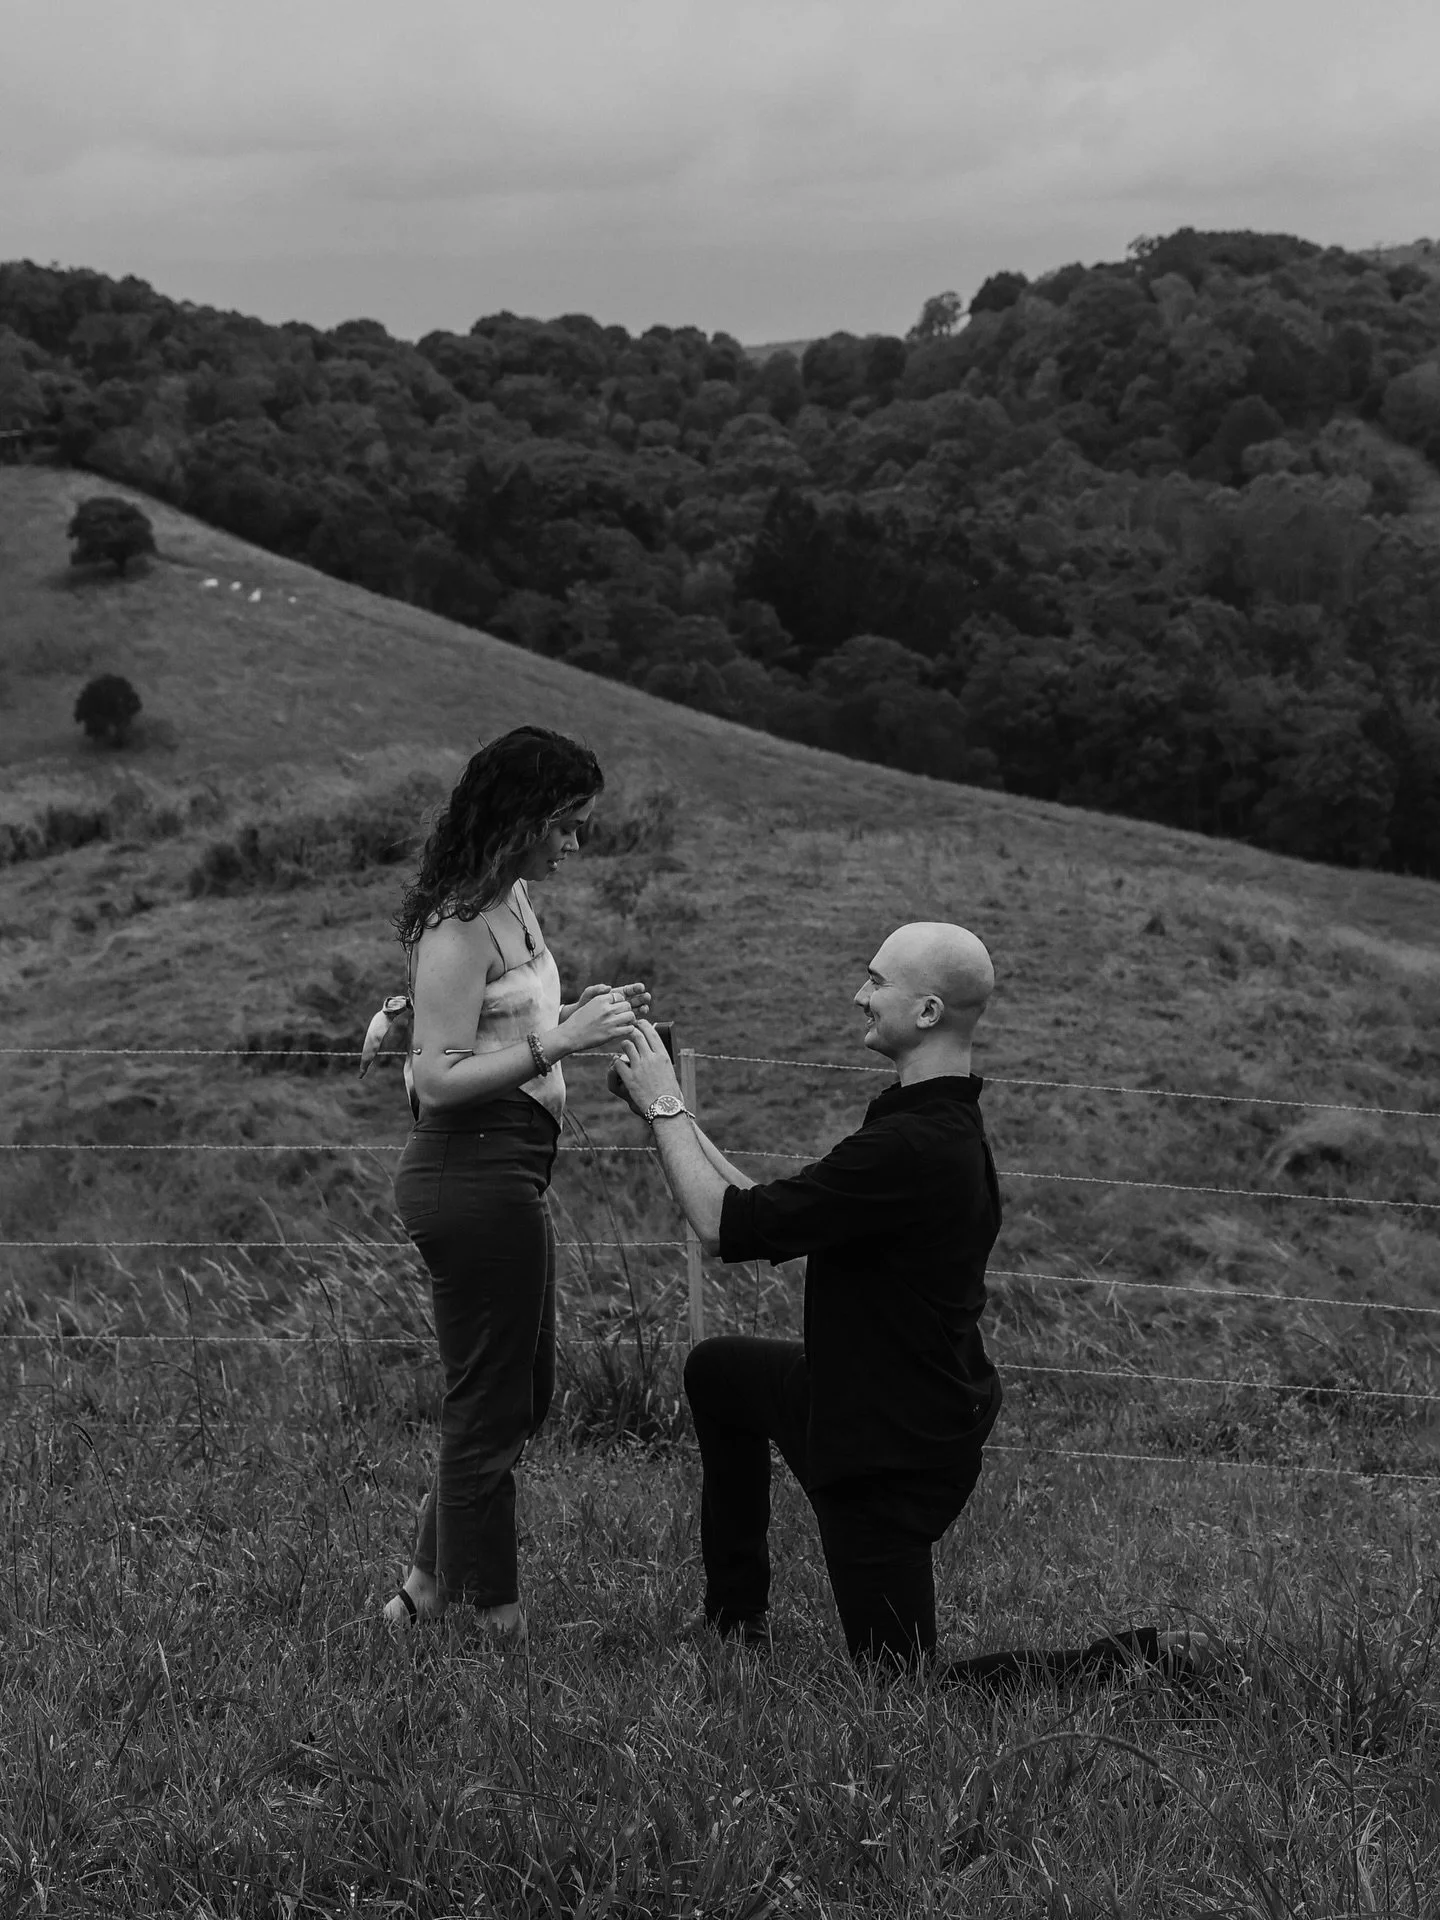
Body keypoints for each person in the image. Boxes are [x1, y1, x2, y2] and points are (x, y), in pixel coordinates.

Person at [613, 921, 1002, 1670]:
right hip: (848, 1398)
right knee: (720, 1372)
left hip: (890, 1455)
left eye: (876, 982)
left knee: (898, 1684)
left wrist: (665, 1107)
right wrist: (672, 1119)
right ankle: (735, 1625)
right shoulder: (923, 1125)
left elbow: (721, 1229)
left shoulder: (911, 1149)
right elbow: (766, 1211)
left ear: (926, 1012)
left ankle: (1135, 1659)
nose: (860, 996)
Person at [382, 726, 648, 1635]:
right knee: (491, 1403)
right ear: (520, 819)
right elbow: (438, 1074)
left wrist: (583, 1018)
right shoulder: (460, 926)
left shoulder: (514, 901)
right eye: (565, 826)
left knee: (513, 1394)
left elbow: (501, 1025)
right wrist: (559, 1042)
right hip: (471, 1171)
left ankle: (423, 1590)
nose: (573, 845)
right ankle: (492, 1611)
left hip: (510, 1169)